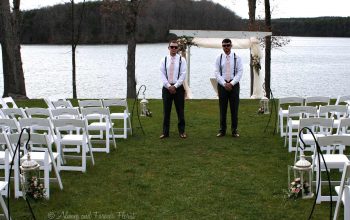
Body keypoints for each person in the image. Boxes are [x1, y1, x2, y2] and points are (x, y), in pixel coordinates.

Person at [214, 38, 243, 137]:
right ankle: (222, 130)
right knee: (223, 108)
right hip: (222, 86)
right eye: (224, 46)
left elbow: (240, 72)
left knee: (234, 109)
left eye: (228, 45)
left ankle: (234, 130)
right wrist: (224, 83)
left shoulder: (237, 57)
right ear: (222, 46)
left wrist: (232, 83)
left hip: (234, 85)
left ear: (231, 46)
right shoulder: (219, 57)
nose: (226, 47)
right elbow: (216, 72)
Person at [159, 40, 187, 139]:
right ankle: (165, 132)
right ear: (169, 48)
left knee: (180, 111)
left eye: (176, 47)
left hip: (178, 88)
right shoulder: (164, 60)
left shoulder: (182, 60)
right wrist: (168, 86)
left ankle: (182, 132)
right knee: (166, 111)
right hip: (166, 88)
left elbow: (183, 74)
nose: (174, 49)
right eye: (172, 47)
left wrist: (175, 86)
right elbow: (162, 74)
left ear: (178, 48)